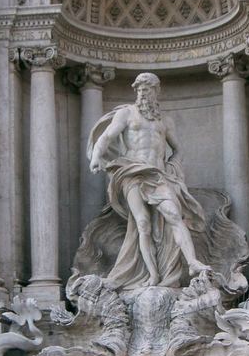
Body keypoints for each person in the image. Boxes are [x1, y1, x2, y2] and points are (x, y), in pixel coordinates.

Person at [87, 72, 211, 290]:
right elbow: (106, 137)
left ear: (157, 92)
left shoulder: (165, 121)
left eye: (147, 89)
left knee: (174, 215)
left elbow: (178, 149)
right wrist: (96, 157)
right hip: (132, 173)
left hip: (158, 175)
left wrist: (174, 168)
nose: (143, 93)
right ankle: (153, 275)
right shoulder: (126, 114)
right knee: (142, 224)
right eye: (140, 89)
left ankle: (192, 262)